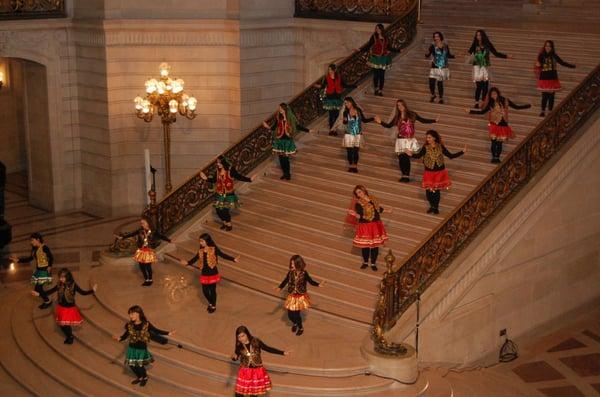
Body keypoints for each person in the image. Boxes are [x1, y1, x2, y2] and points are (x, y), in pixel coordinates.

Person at [375, 99, 438, 182]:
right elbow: (389, 125)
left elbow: (423, 120)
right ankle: (403, 175)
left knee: (406, 158)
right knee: (401, 158)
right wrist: (380, 122)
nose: (400, 107)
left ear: (404, 105)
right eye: (398, 105)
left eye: (401, 105)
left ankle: (407, 176)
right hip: (400, 140)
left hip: (408, 140)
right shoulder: (397, 117)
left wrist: (434, 120)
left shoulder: (412, 114)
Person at [113, 305, 175, 387]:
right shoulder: (129, 325)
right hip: (132, 348)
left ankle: (145, 377)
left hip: (141, 349)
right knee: (132, 365)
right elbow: (125, 336)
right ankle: (139, 377)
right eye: (130, 314)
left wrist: (168, 333)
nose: (130, 316)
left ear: (138, 313)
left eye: (132, 314)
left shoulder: (146, 324)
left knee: (139, 365)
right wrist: (118, 338)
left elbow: (156, 331)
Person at [408, 130, 466, 214]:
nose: (427, 139)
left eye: (429, 137)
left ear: (434, 138)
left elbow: (450, 155)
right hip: (429, 172)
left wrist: (462, 152)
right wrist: (411, 154)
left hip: (439, 172)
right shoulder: (425, 147)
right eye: (427, 137)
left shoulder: (440, 147)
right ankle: (432, 205)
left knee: (436, 191)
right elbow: (418, 156)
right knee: (429, 192)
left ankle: (435, 207)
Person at [179, 233, 240, 313]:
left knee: (212, 290)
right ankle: (211, 302)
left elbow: (222, 255)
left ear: (207, 241)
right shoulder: (200, 250)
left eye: (202, 241)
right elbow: (195, 258)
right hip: (204, 272)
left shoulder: (213, 249)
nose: (200, 243)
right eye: (200, 241)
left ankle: (213, 305)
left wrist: (233, 259)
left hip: (212, 273)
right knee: (205, 291)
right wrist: (188, 263)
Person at [32, 268, 97, 344]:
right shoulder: (59, 284)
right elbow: (49, 292)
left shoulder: (73, 285)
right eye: (60, 277)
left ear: (68, 277)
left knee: (65, 325)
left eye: (63, 277)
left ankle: (70, 337)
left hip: (69, 309)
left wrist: (92, 290)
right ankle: (69, 336)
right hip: (61, 307)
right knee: (62, 325)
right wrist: (39, 294)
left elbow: (83, 293)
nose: (61, 279)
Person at [467, 87, 530, 163]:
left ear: (498, 93)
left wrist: (526, 106)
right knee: (493, 142)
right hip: (494, 125)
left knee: (499, 142)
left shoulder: (504, 100)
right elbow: (482, 112)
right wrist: (470, 111)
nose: (493, 96)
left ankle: (497, 157)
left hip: (502, 125)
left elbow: (516, 107)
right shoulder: (490, 102)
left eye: (494, 94)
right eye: (491, 94)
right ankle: (494, 157)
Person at [231, 325, 289, 397]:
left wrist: (282, 352)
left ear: (247, 334)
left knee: (253, 393)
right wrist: (234, 358)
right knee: (239, 393)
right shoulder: (239, 344)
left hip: (256, 371)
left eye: (243, 336)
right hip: (245, 371)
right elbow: (236, 355)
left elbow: (268, 349)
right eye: (239, 337)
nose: (241, 339)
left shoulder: (256, 341)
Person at [200, 155, 253, 231]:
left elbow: (239, 177)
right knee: (218, 211)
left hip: (228, 195)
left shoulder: (231, 170)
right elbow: (214, 180)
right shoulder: (218, 171)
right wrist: (206, 179)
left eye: (219, 162)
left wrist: (250, 179)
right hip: (219, 194)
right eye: (217, 162)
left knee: (225, 211)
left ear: (224, 163)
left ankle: (229, 224)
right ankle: (224, 223)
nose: (218, 164)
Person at [276, 255, 324, 336]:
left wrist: (318, 285)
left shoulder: (304, 273)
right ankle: (295, 323)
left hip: (300, 297)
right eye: (291, 264)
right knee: (290, 314)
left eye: (293, 264)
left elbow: (310, 281)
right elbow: (286, 280)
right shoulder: (290, 272)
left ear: (298, 264)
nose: (292, 265)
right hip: (291, 296)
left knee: (296, 314)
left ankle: (300, 327)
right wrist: (280, 287)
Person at [346, 185, 391, 271]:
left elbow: (377, 208)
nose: (360, 194)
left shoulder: (372, 198)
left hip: (375, 225)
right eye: (357, 193)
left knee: (375, 246)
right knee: (365, 246)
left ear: (364, 190)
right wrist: (355, 215)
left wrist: (387, 210)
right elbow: (361, 216)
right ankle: (365, 262)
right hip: (365, 226)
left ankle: (373, 263)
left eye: (360, 191)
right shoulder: (358, 203)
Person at [116, 217, 171, 286]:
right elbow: (132, 233)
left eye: (143, 222)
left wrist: (169, 240)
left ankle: (150, 280)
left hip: (148, 251)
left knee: (148, 266)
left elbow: (161, 236)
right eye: (141, 223)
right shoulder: (140, 230)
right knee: (141, 265)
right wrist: (123, 237)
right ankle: (146, 279)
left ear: (148, 223)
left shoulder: (153, 231)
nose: (142, 224)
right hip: (141, 250)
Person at [262, 103, 310, 180]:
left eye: (280, 108)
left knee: (285, 158)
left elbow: (297, 126)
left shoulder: (290, 118)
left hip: (287, 141)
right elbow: (274, 127)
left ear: (284, 109)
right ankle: (284, 173)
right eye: (279, 108)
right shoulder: (278, 117)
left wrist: (308, 130)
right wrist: (267, 126)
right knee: (281, 158)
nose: (279, 109)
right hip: (280, 140)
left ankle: (288, 174)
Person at [467, 29, 509, 109]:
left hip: (485, 67)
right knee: (479, 86)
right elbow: (469, 52)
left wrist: (506, 56)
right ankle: (476, 102)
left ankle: (483, 102)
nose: (478, 37)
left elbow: (496, 53)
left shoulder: (487, 44)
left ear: (483, 35)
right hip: (477, 67)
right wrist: (462, 54)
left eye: (479, 35)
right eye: (477, 35)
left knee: (485, 86)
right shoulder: (475, 44)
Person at [10, 232, 53, 309]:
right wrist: (18, 260)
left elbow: (51, 257)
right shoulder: (34, 249)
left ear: (38, 239)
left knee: (38, 289)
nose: (31, 242)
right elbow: (30, 258)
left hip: (44, 271)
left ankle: (48, 301)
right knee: (37, 289)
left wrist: (49, 266)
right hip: (39, 271)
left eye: (32, 240)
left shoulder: (45, 248)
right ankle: (46, 297)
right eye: (31, 240)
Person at [332, 97, 375, 173]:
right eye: (345, 103)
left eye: (348, 102)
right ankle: (350, 165)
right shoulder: (345, 112)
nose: (346, 104)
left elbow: (364, 120)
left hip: (357, 134)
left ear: (352, 102)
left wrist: (373, 118)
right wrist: (344, 120)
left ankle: (355, 166)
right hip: (348, 134)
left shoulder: (358, 110)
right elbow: (345, 123)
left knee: (355, 151)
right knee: (349, 151)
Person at [535, 40, 576, 117]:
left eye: (549, 46)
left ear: (552, 47)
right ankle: (543, 111)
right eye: (546, 46)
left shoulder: (554, 55)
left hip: (552, 78)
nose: (547, 47)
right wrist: (538, 65)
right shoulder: (541, 55)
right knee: (544, 96)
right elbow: (539, 66)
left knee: (551, 96)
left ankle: (550, 111)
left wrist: (572, 66)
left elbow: (562, 62)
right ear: (544, 46)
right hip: (544, 78)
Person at [315, 64, 351, 136]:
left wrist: (353, 86)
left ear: (334, 70)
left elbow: (344, 85)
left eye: (330, 70)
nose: (329, 71)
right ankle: (331, 130)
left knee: (337, 115)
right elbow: (323, 86)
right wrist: (316, 85)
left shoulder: (339, 77)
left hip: (337, 99)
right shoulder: (326, 78)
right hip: (330, 99)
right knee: (331, 115)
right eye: (329, 70)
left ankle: (335, 129)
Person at [425, 31, 455, 104]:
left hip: (442, 67)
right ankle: (433, 95)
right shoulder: (432, 46)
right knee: (431, 82)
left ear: (440, 37)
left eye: (437, 36)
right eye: (435, 37)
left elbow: (448, 55)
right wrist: (427, 54)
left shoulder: (445, 45)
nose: (436, 38)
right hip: (434, 66)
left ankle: (441, 98)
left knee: (440, 83)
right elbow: (428, 54)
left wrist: (454, 56)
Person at [366, 23, 392, 96]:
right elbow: (368, 45)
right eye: (376, 28)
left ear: (381, 29)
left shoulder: (386, 37)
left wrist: (398, 50)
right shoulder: (374, 37)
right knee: (376, 75)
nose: (377, 30)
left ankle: (380, 90)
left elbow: (389, 47)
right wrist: (360, 49)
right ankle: (376, 89)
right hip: (376, 58)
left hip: (384, 58)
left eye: (378, 28)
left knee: (382, 75)